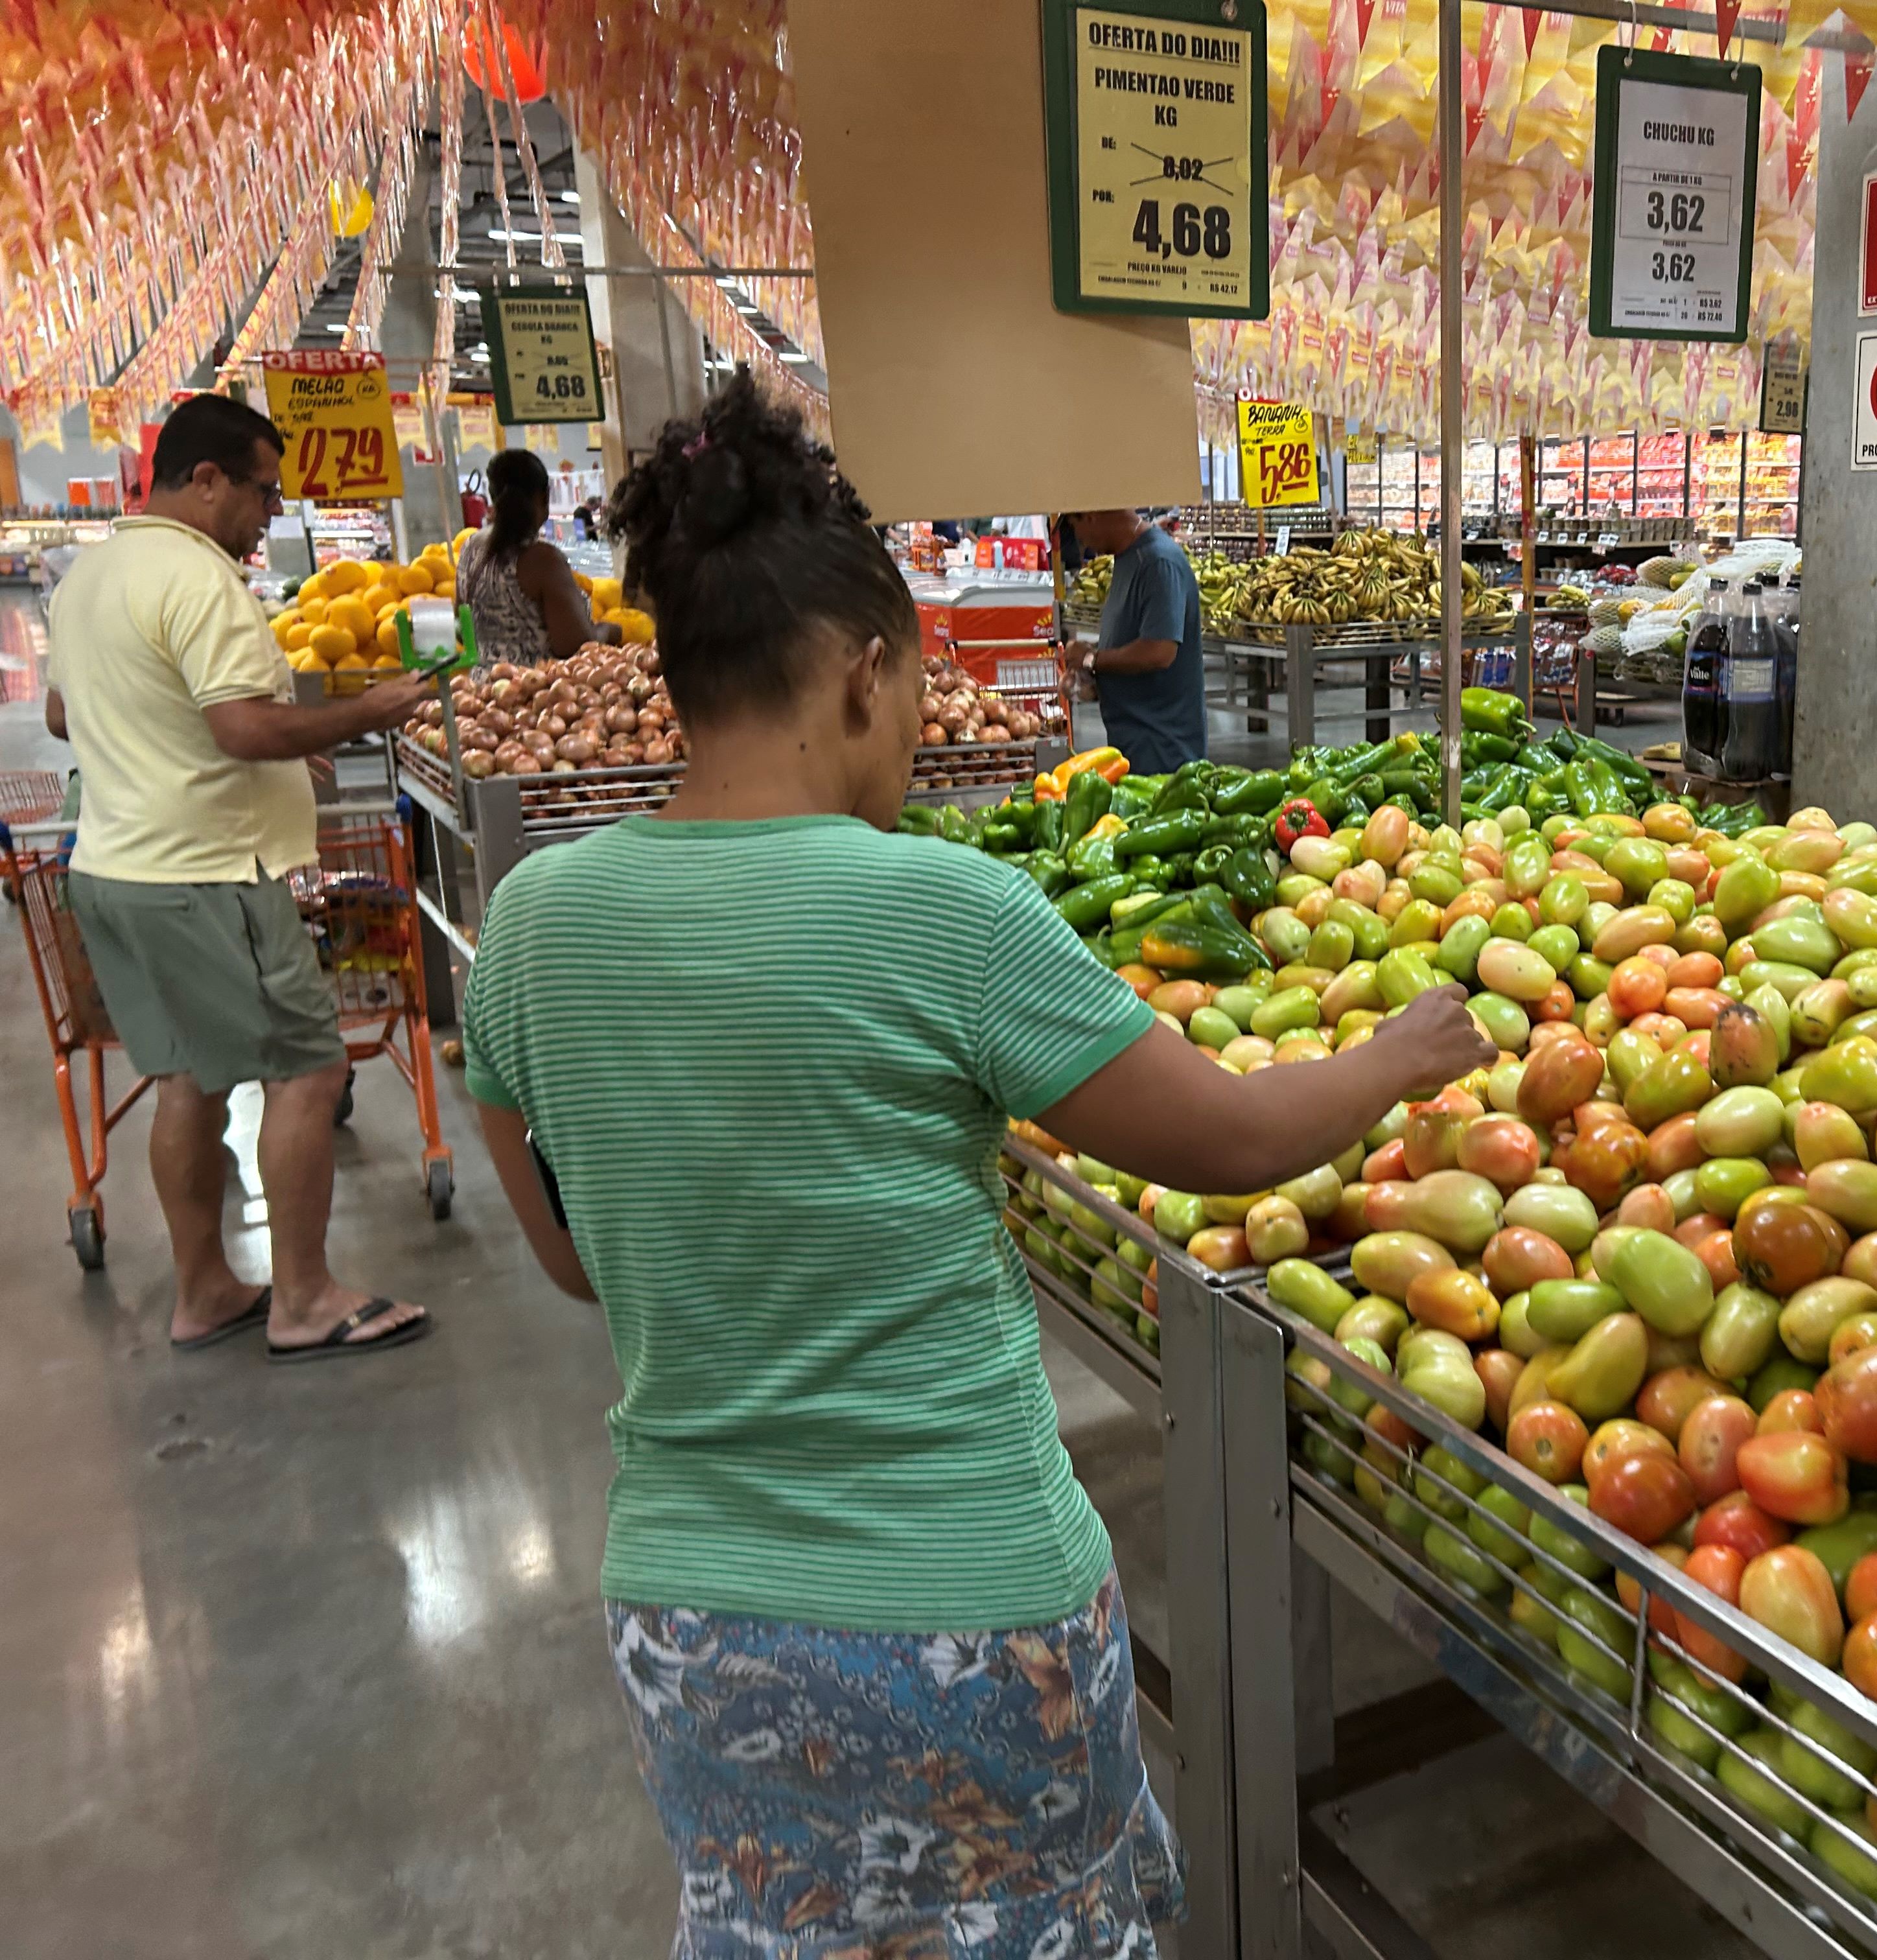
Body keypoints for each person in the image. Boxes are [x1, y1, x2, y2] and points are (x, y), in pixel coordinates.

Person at [460, 374, 1490, 1958]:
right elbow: (1227, 1144)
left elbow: (574, 1259)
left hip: (692, 1618)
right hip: (963, 1609)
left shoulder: (531, 921)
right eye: (921, 693)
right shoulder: (942, 915)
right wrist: (1402, 1054)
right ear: (868, 674)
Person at [46, 392, 433, 1358]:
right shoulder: (201, 580)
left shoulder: (91, 577)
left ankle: (205, 1291)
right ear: (206, 479)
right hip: (207, 877)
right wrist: (367, 711)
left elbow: (66, 717)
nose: (269, 516)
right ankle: (303, 1298)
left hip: (114, 872)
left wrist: (221, 751)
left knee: (188, 1082)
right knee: (307, 1070)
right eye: (261, 492)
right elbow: (241, 726)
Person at [1062, 507, 1207, 775]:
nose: (1081, 540)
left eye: (1076, 527)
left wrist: (1092, 659)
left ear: (1090, 516)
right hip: (1134, 740)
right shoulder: (1128, 558)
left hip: (1163, 749)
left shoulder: (1158, 562)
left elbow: (1159, 652)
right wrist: (1095, 674)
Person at [456, 448, 617, 664]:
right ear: (544, 497)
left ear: (493, 496)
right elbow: (574, 647)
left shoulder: (471, 546)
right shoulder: (544, 561)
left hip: (481, 692)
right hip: (537, 692)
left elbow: (461, 628)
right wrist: (609, 631)